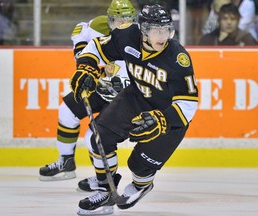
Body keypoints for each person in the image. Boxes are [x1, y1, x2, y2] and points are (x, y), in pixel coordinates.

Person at [71, 4, 199, 215]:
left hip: (167, 115)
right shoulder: (126, 35)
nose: (163, 36)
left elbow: (188, 104)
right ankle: (105, 191)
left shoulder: (178, 58)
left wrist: (161, 121)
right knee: (99, 137)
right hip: (136, 97)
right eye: (156, 30)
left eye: (166, 30)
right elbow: (95, 48)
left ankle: (142, 185)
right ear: (143, 30)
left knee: (139, 165)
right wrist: (87, 68)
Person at [39, 0, 136, 192]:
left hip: (123, 97)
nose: (123, 24)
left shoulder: (140, 37)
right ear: (110, 19)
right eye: (118, 20)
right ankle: (66, 162)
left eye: (128, 19)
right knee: (66, 111)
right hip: (101, 87)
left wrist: (121, 79)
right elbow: (80, 31)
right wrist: (82, 56)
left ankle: (105, 180)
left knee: (94, 137)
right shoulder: (99, 24)